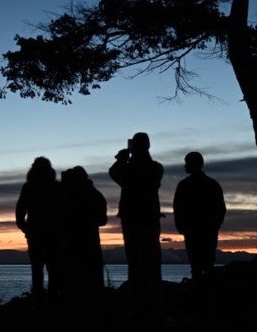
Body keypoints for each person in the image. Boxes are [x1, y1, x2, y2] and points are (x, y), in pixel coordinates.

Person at [109, 132, 164, 318]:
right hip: (150, 218)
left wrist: (121, 159)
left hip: (133, 219)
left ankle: (139, 301)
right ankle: (154, 299)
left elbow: (114, 174)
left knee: (135, 260)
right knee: (152, 258)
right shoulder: (156, 168)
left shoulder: (129, 169)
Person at [172, 151, 226, 306]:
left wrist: (181, 226)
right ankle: (206, 297)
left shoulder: (185, 185)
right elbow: (221, 209)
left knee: (197, 265)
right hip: (204, 230)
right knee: (206, 264)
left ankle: (201, 299)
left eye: (187, 163)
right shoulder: (212, 184)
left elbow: (178, 207)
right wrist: (215, 225)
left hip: (196, 230)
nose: (184, 166)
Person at [15, 156, 65, 307]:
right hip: (52, 233)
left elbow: (20, 209)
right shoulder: (56, 186)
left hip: (37, 232)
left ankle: (39, 300)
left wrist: (24, 227)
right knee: (53, 268)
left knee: (37, 268)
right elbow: (64, 209)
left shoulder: (29, 186)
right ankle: (53, 300)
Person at [60, 165, 108, 308]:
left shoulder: (71, 197)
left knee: (76, 278)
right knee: (93, 279)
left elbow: (61, 219)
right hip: (90, 243)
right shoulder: (96, 195)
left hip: (75, 244)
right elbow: (103, 220)